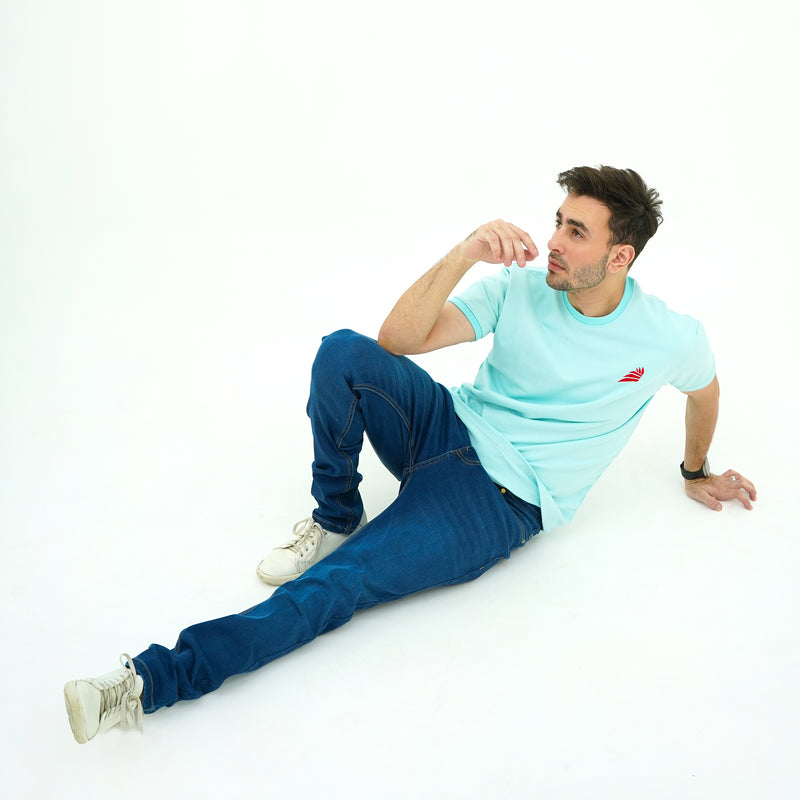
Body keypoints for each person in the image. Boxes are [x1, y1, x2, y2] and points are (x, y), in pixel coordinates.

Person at [63, 166, 757, 744]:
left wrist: (696, 470)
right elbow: (396, 339)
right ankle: (336, 512)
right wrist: (464, 253)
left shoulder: (667, 336)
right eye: (556, 222)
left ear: (619, 256)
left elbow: (705, 392)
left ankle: (145, 682)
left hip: (494, 506)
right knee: (342, 352)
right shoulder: (521, 287)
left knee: (336, 587)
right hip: (444, 426)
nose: (552, 242)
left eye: (575, 232)